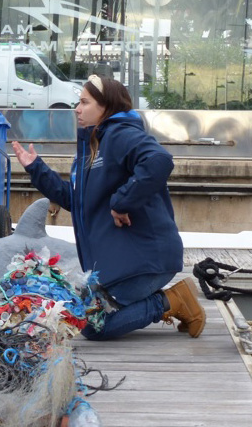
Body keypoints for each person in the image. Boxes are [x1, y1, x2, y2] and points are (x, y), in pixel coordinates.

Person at [12, 75, 206, 340]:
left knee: (95, 327)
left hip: (146, 261)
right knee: (82, 315)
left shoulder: (122, 134)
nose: (77, 109)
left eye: (84, 102)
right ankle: (162, 301)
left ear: (106, 106)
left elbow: (159, 161)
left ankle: (172, 301)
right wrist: (37, 169)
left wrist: (121, 202)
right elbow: (76, 201)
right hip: (122, 264)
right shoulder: (93, 145)